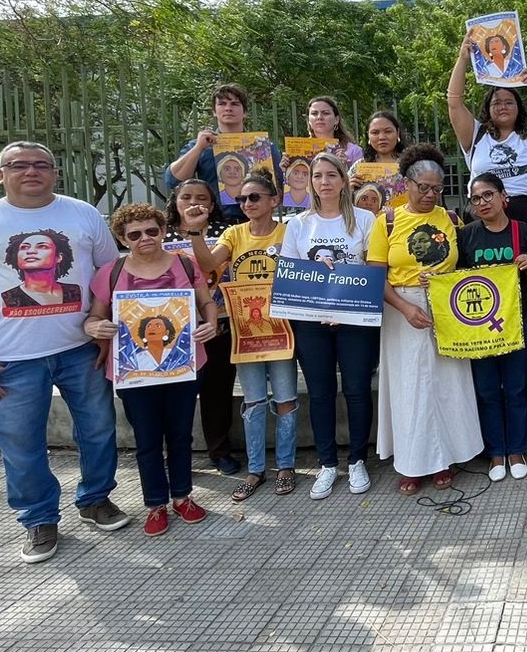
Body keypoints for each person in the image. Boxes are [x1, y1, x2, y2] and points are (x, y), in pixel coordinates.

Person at [0, 142, 128, 564]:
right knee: (21, 444)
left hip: (81, 349)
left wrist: (101, 332)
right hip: (10, 359)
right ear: (1, 174)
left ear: (55, 172)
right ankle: (38, 518)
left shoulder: (82, 215)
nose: (31, 171)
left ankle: (95, 499)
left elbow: (110, 279)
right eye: (18, 165)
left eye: (41, 164)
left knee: (98, 430)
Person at [86, 204, 218, 537]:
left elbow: (206, 302)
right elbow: (93, 317)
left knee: (180, 435)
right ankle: (155, 503)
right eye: (134, 234)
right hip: (135, 371)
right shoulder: (111, 273)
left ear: (162, 230)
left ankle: (183, 496)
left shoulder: (185, 265)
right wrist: (95, 328)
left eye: (152, 231)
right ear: (121, 238)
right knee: (147, 439)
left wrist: (212, 323)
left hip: (184, 366)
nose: (145, 238)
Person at [368, 144, 485, 494]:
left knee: (448, 385)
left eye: (438, 188)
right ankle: (412, 462)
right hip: (401, 309)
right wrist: (405, 307)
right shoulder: (386, 221)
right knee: (410, 389)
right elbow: (376, 277)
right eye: (424, 188)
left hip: (444, 309)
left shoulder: (450, 220)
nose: (432, 195)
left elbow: (463, 267)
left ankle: (445, 459)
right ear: (407, 184)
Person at [181, 172, 300, 501]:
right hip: (245, 328)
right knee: (254, 401)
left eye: (255, 197)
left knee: (286, 398)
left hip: (282, 327)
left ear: (274, 200)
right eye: (242, 199)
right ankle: (256, 469)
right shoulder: (234, 233)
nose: (247, 204)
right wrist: (194, 232)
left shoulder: (289, 231)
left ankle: (287, 466)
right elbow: (207, 264)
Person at [279, 152, 379, 500]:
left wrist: (346, 307)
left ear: (342, 180)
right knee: (320, 393)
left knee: (356, 389)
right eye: (318, 176)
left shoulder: (366, 220)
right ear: (311, 182)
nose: (324, 181)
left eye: (331, 175)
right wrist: (318, 308)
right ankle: (326, 463)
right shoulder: (298, 225)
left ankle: (356, 460)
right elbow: (291, 276)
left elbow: (373, 268)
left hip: (355, 320)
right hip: (312, 322)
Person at [458, 173, 527, 481]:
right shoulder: (466, 235)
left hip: (520, 319)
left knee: (517, 387)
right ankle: (495, 452)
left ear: (503, 196)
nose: (482, 202)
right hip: (480, 325)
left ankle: (516, 449)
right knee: (487, 389)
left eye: (488, 195)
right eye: (476, 198)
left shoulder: (523, 231)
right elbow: (457, 282)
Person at [161, 179, 240, 476]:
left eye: (202, 197)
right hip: (172, 328)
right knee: (174, 395)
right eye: (186, 197)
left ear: (212, 204)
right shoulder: (160, 234)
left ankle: (219, 451)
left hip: (218, 323)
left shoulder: (225, 233)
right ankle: (174, 454)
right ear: (175, 202)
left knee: (217, 391)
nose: (194, 202)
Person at [448, 34, 527, 221]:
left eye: (509, 102)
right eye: (496, 103)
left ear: (518, 108)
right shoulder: (475, 134)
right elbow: (454, 103)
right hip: (484, 215)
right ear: (487, 109)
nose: (503, 107)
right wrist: (462, 59)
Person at [166, 83, 279, 222]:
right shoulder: (201, 144)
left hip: (255, 222)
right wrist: (197, 149)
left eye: (235, 104)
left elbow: (280, 186)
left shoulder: (263, 146)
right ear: (214, 111)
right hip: (212, 222)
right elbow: (173, 180)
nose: (228, 108)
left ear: (245, 112)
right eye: (222, 103)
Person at [0, 229, 82, 310]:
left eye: (42, 246)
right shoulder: (7, 298)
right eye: (24, 247)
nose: (31, 251)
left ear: (59, 257)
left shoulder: (76, 291)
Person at [350, 109, 410, 206]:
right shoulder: (359, 166)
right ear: (368, 136)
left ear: (397, 133)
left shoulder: (412, 164)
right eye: (375, 132)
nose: (382, 137)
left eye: (388, 131)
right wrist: (349, 189)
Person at [305, 96, 365, 165]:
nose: (319, 117)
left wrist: (345, 168)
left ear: (336, 119)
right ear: (309, 120)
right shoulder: (297, 150)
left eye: (325, 113)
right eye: (314, 113)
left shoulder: (354, 151)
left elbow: (361, 176)